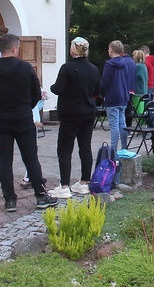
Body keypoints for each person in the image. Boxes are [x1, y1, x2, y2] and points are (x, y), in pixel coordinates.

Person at [0, 33, 56, 212]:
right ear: (15, 48)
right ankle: (40, 194)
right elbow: (36, 94)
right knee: (30, 157)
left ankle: (9, 199)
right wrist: (25, 107)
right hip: (22, 117)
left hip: (0, 118)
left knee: (4, 159)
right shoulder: (25, 68)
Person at [47, 37, 100, 199]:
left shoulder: (67, 68)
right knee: (85, 146)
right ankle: (84, 182)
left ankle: (64, 186)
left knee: (64, 148)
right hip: (88, 112)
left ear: (73, 49)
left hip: (70, 113)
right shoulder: (93, 69)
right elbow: (97, 90)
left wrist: (52, 87)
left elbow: (58, 88)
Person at [100, 40, 133, 152]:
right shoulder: (126, 63)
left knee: (113, 124)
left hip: (112, 97)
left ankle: (113, 151)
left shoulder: (109, 64)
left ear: (112, 50)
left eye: (109, 49)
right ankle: (124, 148)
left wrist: (101, 94)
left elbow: (105, 81)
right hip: (123, 96)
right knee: (122, 123)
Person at [132, 49, 148, 114]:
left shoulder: (137, 66)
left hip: (138, 91)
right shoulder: (144, 66)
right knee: (142, 109)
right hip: (144, 90)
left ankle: (141, 123)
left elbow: (134, 78)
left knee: (139, 111)